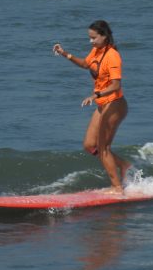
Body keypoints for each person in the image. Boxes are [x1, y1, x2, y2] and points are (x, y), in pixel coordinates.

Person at [53, 20, 131, 194]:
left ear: (104, 36)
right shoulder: (97, 50)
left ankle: (117, 187)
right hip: (103, 104)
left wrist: (96, 95)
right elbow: (85, 64)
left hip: (115, 105)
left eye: (94, 38)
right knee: (90, 145)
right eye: (89, 38)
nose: (91, 41)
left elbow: (116, 85)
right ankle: (124, 165)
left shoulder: (112, 55)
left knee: (103, 148)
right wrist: (65, 53)